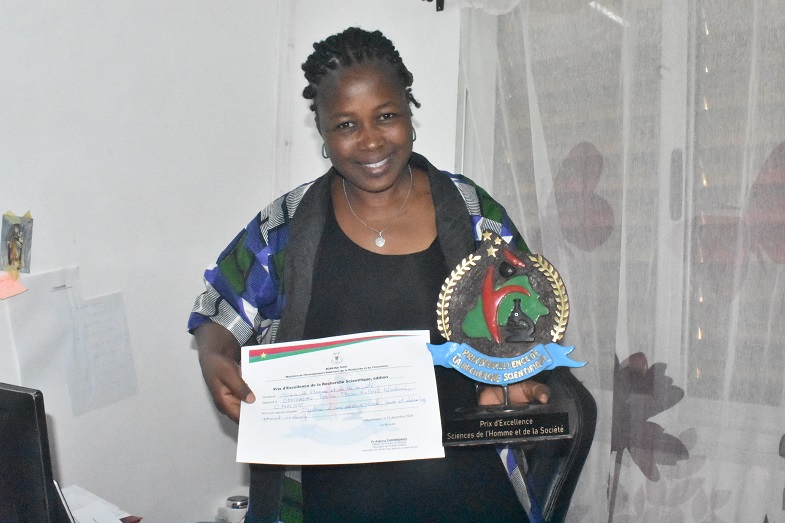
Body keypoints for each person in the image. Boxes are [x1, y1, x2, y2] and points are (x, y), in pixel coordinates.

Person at [190, 27, 568, 522]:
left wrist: (516, 380)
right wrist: (215, 355)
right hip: (325, 496)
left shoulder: (473, 214)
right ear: (323, 133)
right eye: (346, 124)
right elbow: (220, 308)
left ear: (409, 114)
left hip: (466, 487)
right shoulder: (286, 226)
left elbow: (528, 321)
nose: (370, 140)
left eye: (386, 116)